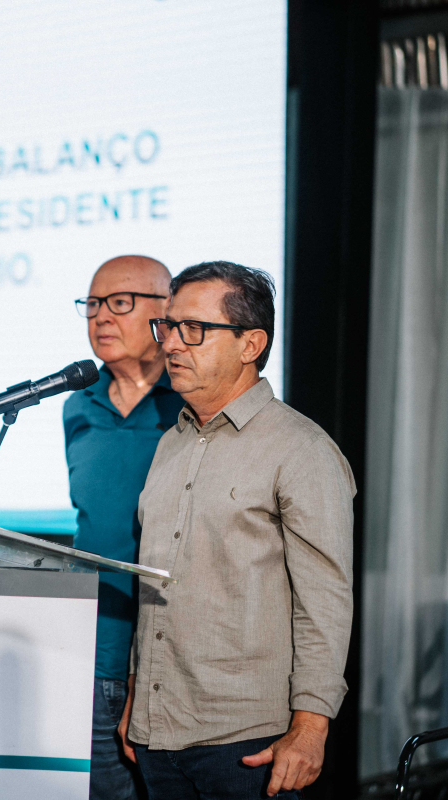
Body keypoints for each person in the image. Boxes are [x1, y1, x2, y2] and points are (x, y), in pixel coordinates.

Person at [117, 261, 355, 799]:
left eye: (193, 329)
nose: (170, 344)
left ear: (251, 344)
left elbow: (325, 602)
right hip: (157, 730)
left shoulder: (302, 449)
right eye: (168, 326)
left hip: (247, 742)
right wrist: (138, 693)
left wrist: (311, 727)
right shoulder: (170, 443)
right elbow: (152, 582)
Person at [64, 255, 186, 800]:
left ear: (166, 312)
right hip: (93, 651)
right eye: (92, 304)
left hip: (171, 660)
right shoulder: (77, 406)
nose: (101, 317)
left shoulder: (193, 404)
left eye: (119, 302)